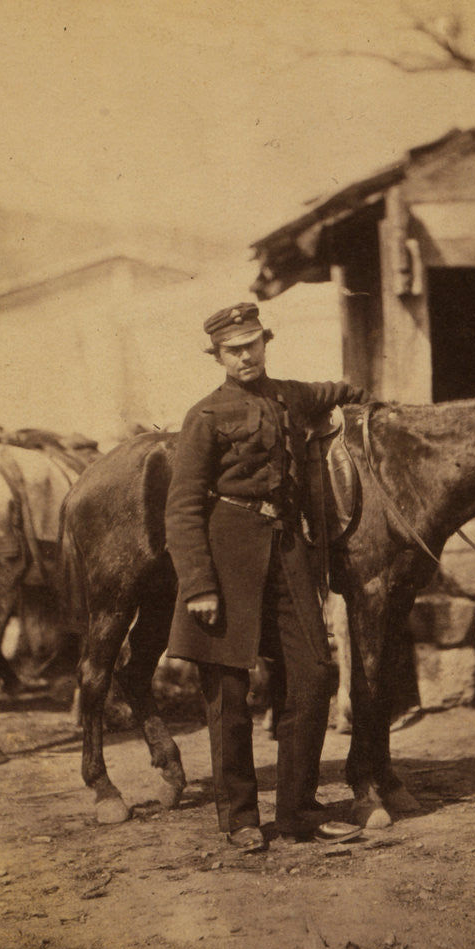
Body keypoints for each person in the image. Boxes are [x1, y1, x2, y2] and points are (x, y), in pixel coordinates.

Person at [165, 302, 369, 853]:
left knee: (314, 674)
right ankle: (238, 818)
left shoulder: (290, 396)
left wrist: (360, 395)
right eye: (233, 349)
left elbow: (336, 391)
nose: (245, 356)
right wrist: (199, 585)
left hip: (288, 550)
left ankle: (299, 810)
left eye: (252, 344)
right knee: (229, 691)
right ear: (218, 356)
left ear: (264, 343)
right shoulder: (205, 416)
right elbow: (182, 508)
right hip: (226, 552)